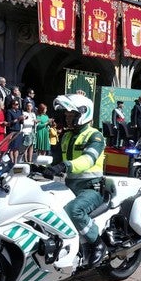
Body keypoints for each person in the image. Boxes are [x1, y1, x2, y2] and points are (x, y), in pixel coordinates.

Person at [43, 93, 107, 267]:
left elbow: (88, 160)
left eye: (72, 115)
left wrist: (65, 166)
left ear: (83, 114)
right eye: (67, 115)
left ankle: (97, 243)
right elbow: (55, 160)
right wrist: (38, 167)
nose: (68, 118)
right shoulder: (67, 136)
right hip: (70, 188)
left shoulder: (95, 136)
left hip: (91, 189)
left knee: (74, 211)